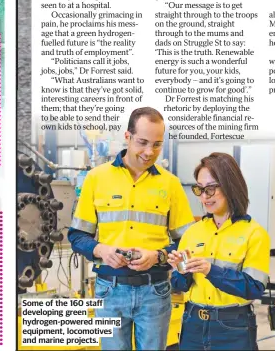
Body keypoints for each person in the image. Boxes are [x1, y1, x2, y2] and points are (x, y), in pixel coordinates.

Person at [68, 107, 193, 350]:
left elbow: (188, 243)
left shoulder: (171, 184)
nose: (149, 152)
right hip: (109, 291)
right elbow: (77, 236)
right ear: (127, 137)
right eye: (143, 142)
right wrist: (102, 250)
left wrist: (157, 256)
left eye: (157, 145)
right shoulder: (96, 178)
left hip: (155, 291)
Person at [169, 152, 269, 351]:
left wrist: (210, 270)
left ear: (230, 186)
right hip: (193, 325)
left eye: (212, 188)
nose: (205, 197)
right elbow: (180, 285)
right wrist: (180, 270)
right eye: (200, 189)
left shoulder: (254, 234)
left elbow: (254, 288)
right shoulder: (192, 232)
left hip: (233, 328)